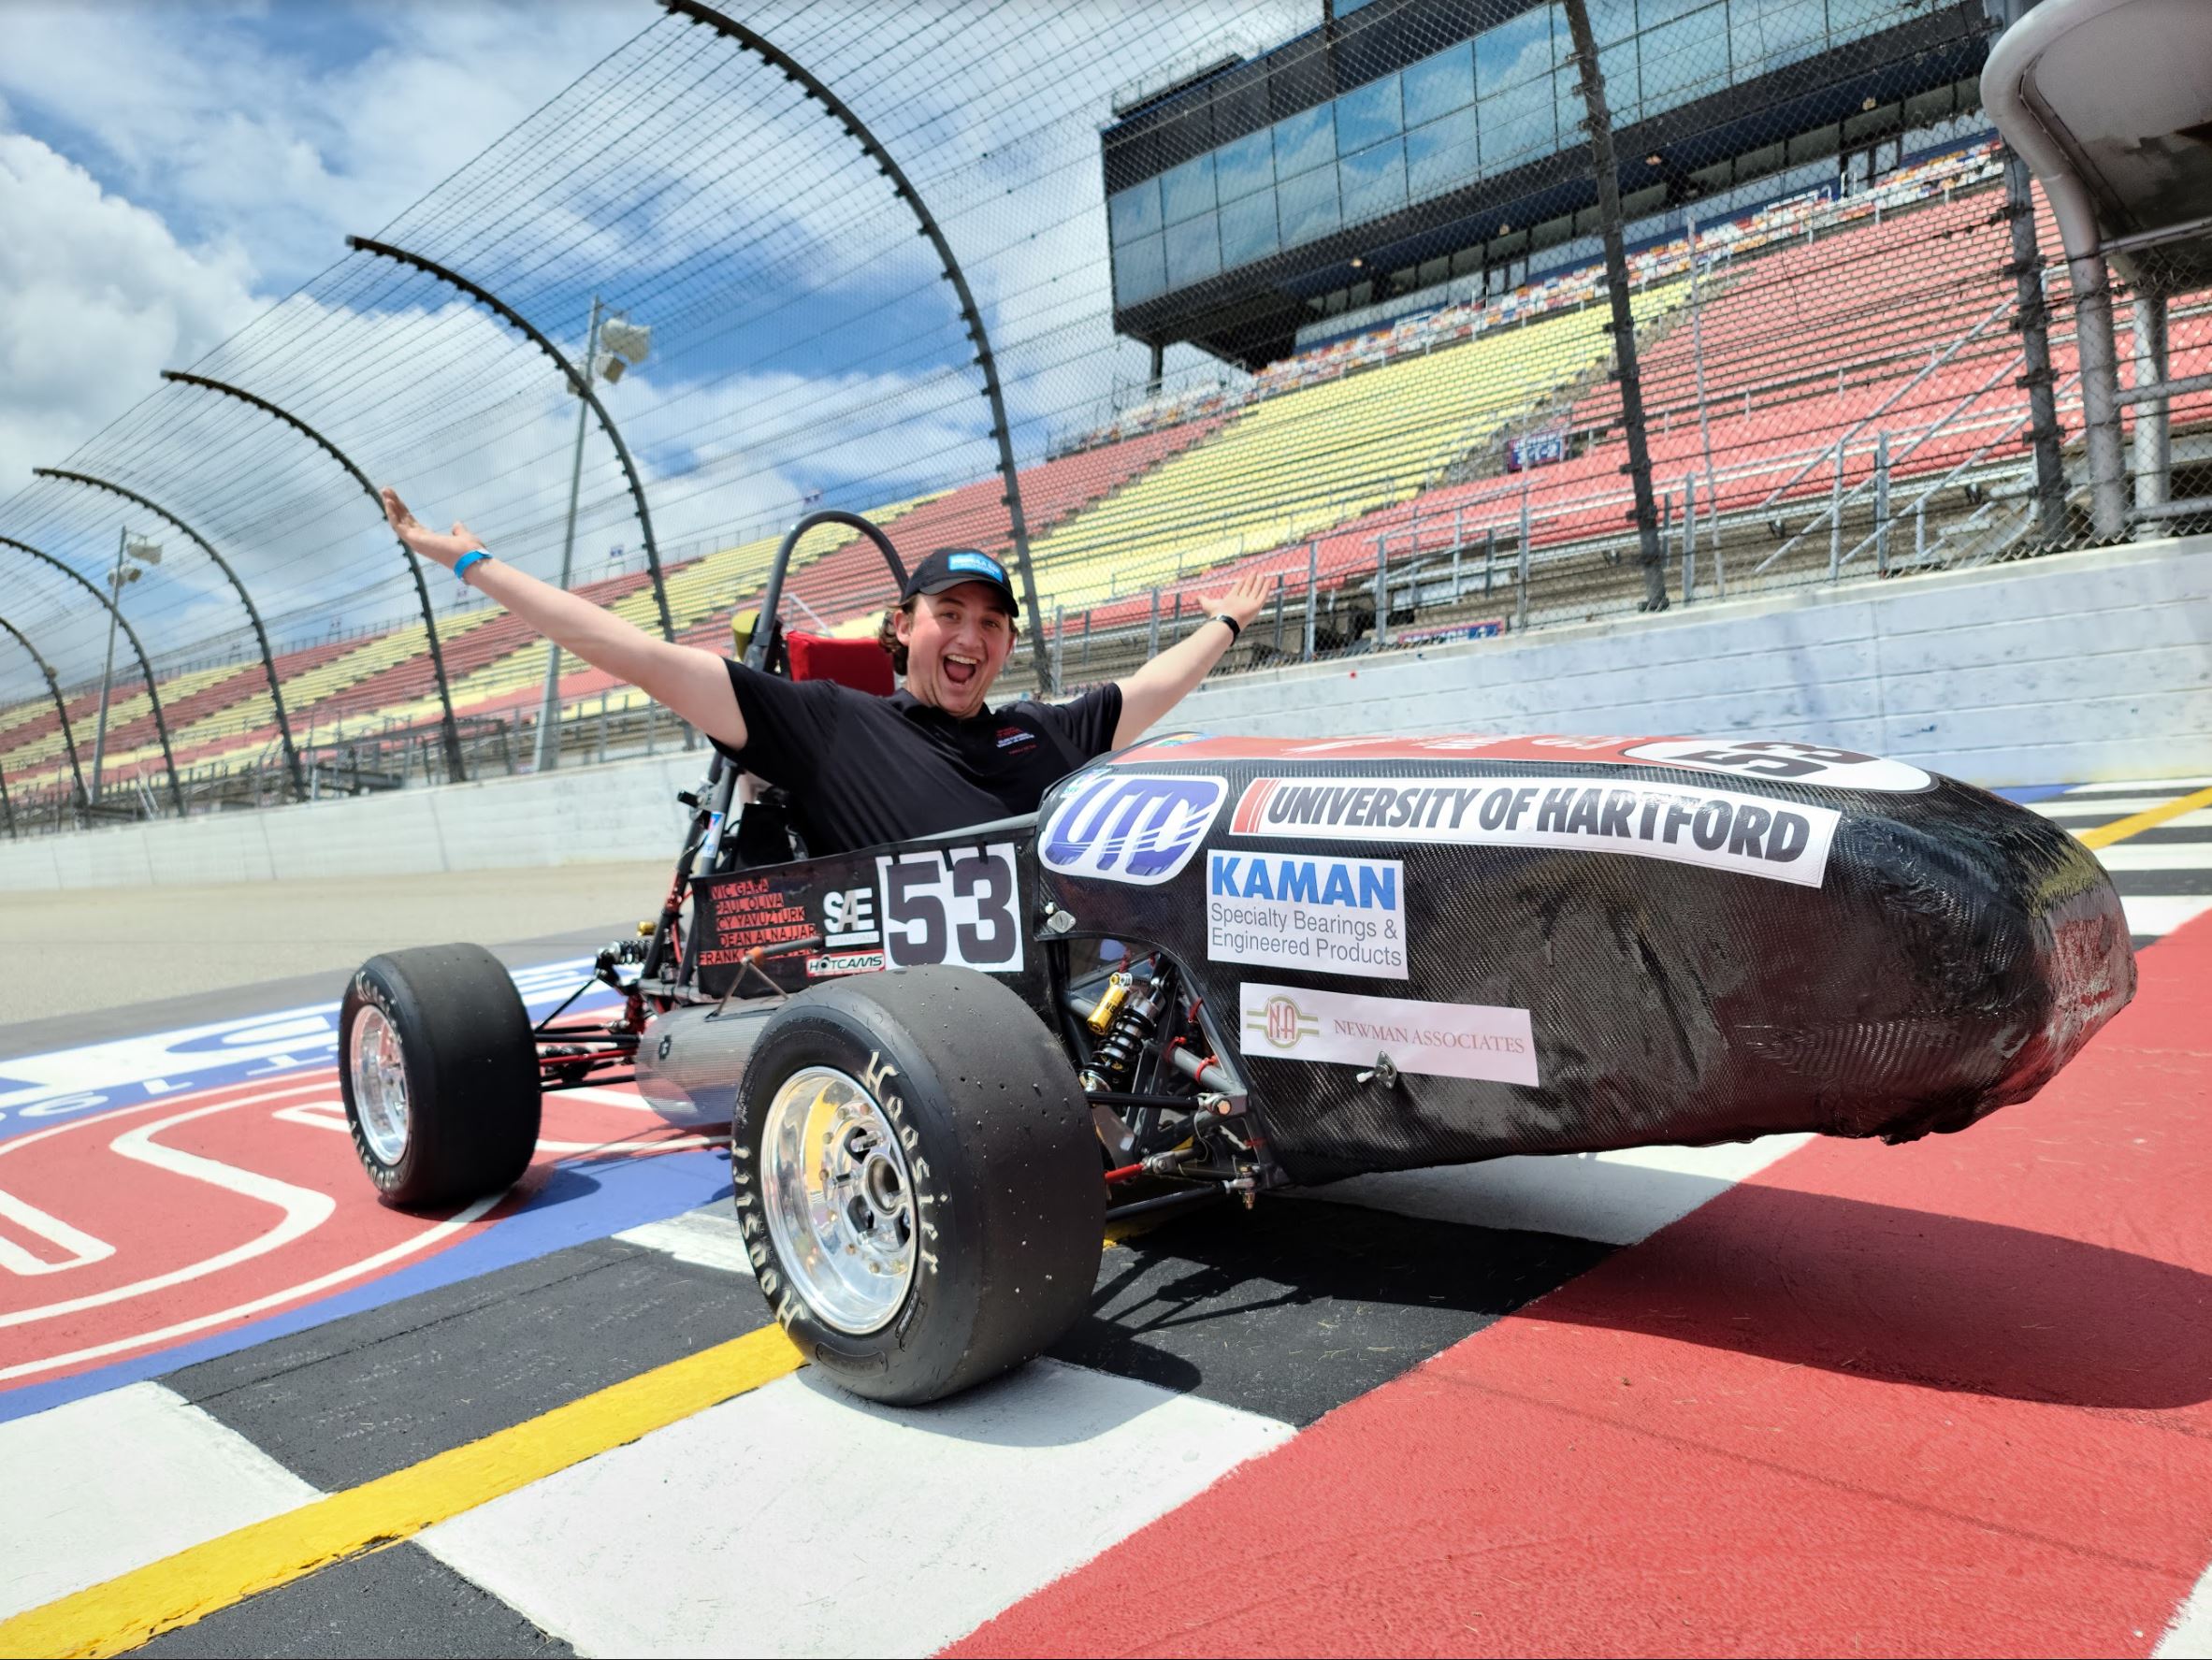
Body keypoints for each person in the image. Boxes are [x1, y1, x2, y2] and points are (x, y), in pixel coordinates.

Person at [381, 487, 1271, 854]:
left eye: (992, 624)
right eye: (949, 615)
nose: (971, 638)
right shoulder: (833, 724)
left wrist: (1228, 623)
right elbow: (637, 655)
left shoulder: (1041, 729)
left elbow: (1148, 692)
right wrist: (474, 566)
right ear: (902, 627)